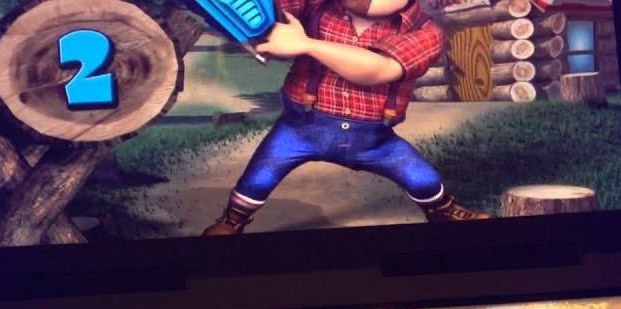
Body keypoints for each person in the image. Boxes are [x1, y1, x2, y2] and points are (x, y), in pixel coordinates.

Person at [203, 0, 488, 235]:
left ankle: (442, 211)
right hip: (301, 128)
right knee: (259, 177)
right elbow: (267, 11)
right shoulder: (317, 6)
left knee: (422, 178)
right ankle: (233, 220)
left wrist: (307, 45)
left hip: (373, 140)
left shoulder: (425, 32)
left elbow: (377, 70)